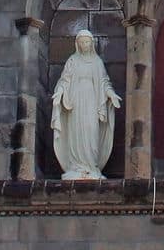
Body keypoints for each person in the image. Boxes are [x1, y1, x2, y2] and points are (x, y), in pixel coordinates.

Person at [50, 28, 120, 180]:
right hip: (75, 101)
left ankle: (91, 166)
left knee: (90, 131)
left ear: (91, 44)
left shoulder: (97, 62)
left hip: (92, 102)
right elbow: (64, 80)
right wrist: (60, 92)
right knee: (76, 131)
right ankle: (76, 166)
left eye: (87, 42)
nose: (84, 45)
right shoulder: (72, 61)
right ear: (77, 44)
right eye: (81, 42)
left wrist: (111, 94)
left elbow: (104, 82)